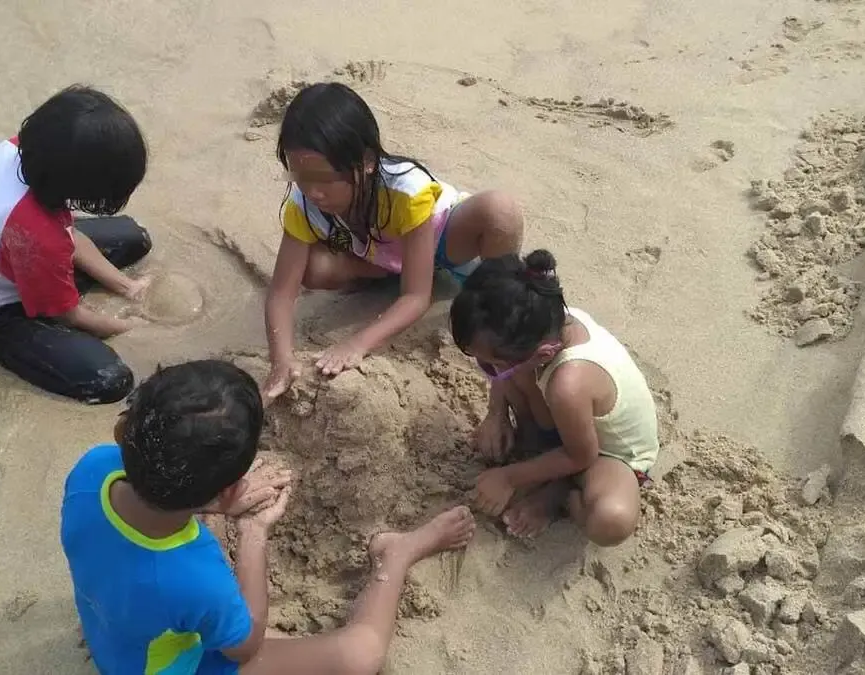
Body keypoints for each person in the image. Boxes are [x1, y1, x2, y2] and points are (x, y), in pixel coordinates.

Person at [60, 360, 477, 675]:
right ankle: (397, 554)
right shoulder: (194, 576)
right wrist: (253, 530)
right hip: (173, 667)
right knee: (359, 655)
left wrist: (212, 504)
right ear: (227, 489)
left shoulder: (92, 468)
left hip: (116, 637)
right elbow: (245, 645)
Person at [262, 82, 524, 402]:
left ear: (367, 162)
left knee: (500, 211)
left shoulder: (406, 191)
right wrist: (281, 360)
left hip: (441, 241)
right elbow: (280, 294)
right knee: (313, 269)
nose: (314, 193)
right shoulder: (304, 204)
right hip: (379, 256)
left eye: (326, 179)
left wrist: (357, 343)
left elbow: (417, 297)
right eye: (301, 178)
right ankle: (387, 274)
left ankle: (497, 303)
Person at [0, 84, 152, 404]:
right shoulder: (35, 234)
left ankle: (49, 290)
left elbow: (68, 236)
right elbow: (69, 315)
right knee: (111, 380)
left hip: (1, 251)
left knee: (135, 238)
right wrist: (127, 326)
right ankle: (4, 343)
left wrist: (127, 287)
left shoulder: (23, 150)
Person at [449, 250, 659, 545]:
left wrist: (509, 478)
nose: (490, 371)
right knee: (514, 371)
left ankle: (559, 492)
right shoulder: (543, 318)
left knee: (610, 522)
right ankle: (543, 465)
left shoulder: (569, 384)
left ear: (545, 353)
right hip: (567, 419)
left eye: (489, 365)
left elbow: (582, 454)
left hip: (608, 454)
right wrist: (495, 413)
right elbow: (506, 365)